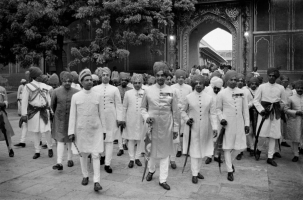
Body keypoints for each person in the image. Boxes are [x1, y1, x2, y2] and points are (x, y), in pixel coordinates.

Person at [141, 61, 179, 190]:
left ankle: (163, 179)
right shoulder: (148, 90)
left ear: (166, 75)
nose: (160, 78)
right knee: (151, 150)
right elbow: (142, 109)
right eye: (157, 75)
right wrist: (147, 117)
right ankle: (151, 170)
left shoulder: (172, 91)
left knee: (165, 153)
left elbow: (176, 112)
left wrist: (175, 128)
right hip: (152, 126)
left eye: (162, 75)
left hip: (166, 126)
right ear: (155, 76)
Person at [68, 69, 104, 191]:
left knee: (95, 155)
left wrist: (104, 131)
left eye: (91, 80)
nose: (90, 82)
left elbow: (102, 114)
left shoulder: (98, 96)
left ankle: (97, 181)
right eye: (87, 80)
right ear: (81, 82)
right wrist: (71, 132)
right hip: (81, 130)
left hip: (96, 130)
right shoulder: (76, 96)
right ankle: (85, 176)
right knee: (83, 154)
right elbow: (72, 115)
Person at [181, 75, 217, 184]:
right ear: (193, 85)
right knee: (193, 149)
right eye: (196, 83)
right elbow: (182, 111)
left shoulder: (209, 98)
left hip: (205, 127)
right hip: (192, 127)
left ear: (204, 85)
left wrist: (215, 127)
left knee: (202, 149)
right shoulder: (188, 97)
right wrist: (187, 119)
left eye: (200, 83)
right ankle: (194, 174)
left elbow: (213, 113)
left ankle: (198, 170)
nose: (198, 85)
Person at [216, 70, 249, 181]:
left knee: (240, 147)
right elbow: (218, 109)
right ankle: (230, 170)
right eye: (231, 79)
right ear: (227, 80)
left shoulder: (242, 92)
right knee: (227, 147)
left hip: (239, 123)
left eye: (235, 79)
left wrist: (247, 123)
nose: (234, 81)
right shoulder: (222, 93)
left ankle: (229, 162)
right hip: (227, 124)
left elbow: (245, 110)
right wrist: (222, 119)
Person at [253, 68, 286, 167]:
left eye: (274, 76)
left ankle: (270, 157)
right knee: (262, 134)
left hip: (275, 113)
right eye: (270, 75)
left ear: (276, 77)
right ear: (268, 76)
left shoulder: (281, 88)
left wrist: (279, 107)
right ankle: (258, 150)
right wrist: (262, 110)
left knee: (273, 135)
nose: (272, 77)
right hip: (264, 113)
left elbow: (284, 101)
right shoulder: (262, 87)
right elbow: (256, 101)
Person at [93, 67, 123, 173]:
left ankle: (107, 163)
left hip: (111, 116)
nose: (105, 77)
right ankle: (102, 155)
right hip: (99, 116)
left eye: (107, 75)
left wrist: (120, 118)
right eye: (104, 75)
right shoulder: (95, 89)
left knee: (109, 140)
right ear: (101, 76)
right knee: (99, 138)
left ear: (110, 77)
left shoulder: (114, 89)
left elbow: (119, 104)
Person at [19, 67, 53, 159]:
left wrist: (51, 110)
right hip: (34, 112)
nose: (42, 76)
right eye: (40, 74)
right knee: (36, 132)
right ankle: (37, 151)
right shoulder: (28, 86)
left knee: (47, 130)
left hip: (44, 111)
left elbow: (48, 98)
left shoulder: (44, 86)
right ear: (36, 76)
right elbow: (24, 101)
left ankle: (50, 148)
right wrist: (24, 114)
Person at [51, 72, 79, 171]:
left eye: (69, 81)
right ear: (61, 81)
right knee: (60, 140)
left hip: (72, 119)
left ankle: (70, 159)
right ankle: (59, 162)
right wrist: (58, 114)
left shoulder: (76, 92)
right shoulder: (56, 91)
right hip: (59, 119)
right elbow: (52, 105)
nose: (67, 83)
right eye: (65, 81)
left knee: (70, 139)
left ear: (72, 82)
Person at [122, 74, 144, 168]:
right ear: (132, 83)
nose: (137, 84)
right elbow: (124, 107)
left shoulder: (145, 92)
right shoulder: (128, 93)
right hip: (130, 118)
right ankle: (131, 158)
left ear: (142, 83)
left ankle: (137, 157)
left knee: (139, 139)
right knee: (131, 139)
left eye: (139, 83)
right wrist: (122, 119)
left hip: (141, 119)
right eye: (135, 83)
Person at [171, 69, 192, 160]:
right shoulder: (172, 87)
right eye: (179, 77)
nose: (180, 79)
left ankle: (186, 149)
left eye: (182, 78)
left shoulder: (188, 87)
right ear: (176, 78)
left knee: (186, 131)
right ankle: (178, 149)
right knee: (177, 131)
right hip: (176, 112)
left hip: (185, 112)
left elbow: (190, 100)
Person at [205, 76, 223, 164]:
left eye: (218, 89)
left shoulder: (223, 92)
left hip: (220, 118)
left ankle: (217, 155)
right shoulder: (207, 92)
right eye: (215, 88)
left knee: (219, 137)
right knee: (210, 137)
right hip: (210, 117)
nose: (216, 90)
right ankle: (209, 155)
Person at [284, 80, 303, 162]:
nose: (299, 89)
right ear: (295, 88)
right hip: (295, 121)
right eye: (298, 88)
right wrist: (296, 112)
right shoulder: (291, 98)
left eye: (301, 88)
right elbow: (286, 110)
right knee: (295, 138)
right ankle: (296, 154)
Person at [116, 72, 132, 156]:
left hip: (127, 111)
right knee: (119, 129)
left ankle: (125, 142)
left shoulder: (130, 89)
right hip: (119, 111)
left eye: (125, 80)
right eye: (122, 80)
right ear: (120, 80)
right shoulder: (117, 89)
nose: (124, 82)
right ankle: (120, 148)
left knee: (126, 128)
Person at [0, 85, 14, 157]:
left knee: (6, 131)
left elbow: (6, 101)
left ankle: (10, 148)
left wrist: (3, 104)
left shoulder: (2, 89)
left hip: (1, 113)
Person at [280, 75, 292, 148]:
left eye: (287, 81)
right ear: (281, 82)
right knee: (280, 126)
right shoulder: (279, 89)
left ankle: (283, 140)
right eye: (284, 81)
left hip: (287, 110)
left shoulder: (290, 91)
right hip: (280, 110)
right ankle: (280, 140)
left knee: (285, 126)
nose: (285, 83)